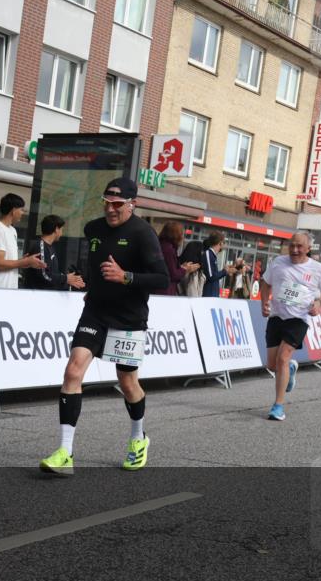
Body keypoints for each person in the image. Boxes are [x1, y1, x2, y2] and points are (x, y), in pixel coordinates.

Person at [40, 177, 169, 476]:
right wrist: (94, 284)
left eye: (118, 204)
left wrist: (127, 277)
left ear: (131, 204)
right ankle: (65, 452)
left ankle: (139, 438)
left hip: (129, 318)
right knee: (73, 370)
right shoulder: (93, 229)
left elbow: (162, 279)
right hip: (96, 312)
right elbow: (97, 263)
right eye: (106, 203)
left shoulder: (144, 233)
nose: (111, 209)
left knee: (127, 383)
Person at [260, 232, 321, 421]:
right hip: (277, 317)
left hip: (299, 318)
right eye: (292, 246)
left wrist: (319, 303)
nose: (295, 250)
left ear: (308, 248)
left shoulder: (318, 269)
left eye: (299, 246)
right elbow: (265, 283)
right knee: (272, 365)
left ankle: (278, 406)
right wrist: (264, 303)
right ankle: (290, 369)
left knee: (283, 358)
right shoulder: (277, 263)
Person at [0, 193, 46, 289]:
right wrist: (23, 262)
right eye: (21, 209)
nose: (23, 212)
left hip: (9, 289)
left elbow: (8, 262)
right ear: (13, 210)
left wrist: (26, 262)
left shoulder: (12, 230)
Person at [24, 214, 85, 291]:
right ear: (56, 229)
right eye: (61, 229)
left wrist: (68, 280)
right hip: (37, 296)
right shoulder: (40, 246)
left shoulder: (49, 247)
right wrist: (65, 278)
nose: (61, 233)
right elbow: (44, 275)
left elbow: (51, 274)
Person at [154, 222, 199, 296]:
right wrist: (186, 269)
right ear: (176, 235)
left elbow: (168, 268)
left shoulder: (161, 244)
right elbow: (173, 274)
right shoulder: (169, 249)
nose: (182, 237)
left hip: (158, 289)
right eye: (181, 234)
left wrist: (182, 267)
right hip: (164, 292)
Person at [201, 231, 240, 297]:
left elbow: (214, 275)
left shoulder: (212, 255)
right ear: (220, 243)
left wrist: (225, 271)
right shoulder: (208, 254)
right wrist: (225, 271)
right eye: (224, 242)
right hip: (209, 294)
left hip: (213, 294)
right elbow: (211, 276)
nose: (224, 244)